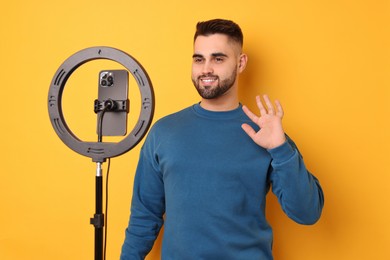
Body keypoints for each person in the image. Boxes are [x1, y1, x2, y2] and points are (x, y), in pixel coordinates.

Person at [120, 18, 324, 260]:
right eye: (199, 59)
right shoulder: (164, 132)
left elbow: (307, 212)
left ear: (240, 63)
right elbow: (144, 216)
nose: (206, 68)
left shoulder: (265, 134)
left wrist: (280, 149)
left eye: (218, 58)